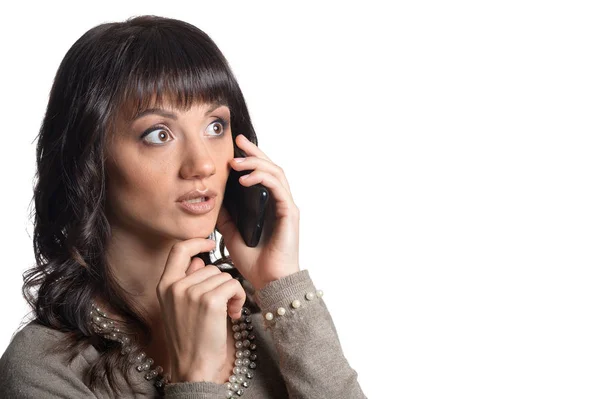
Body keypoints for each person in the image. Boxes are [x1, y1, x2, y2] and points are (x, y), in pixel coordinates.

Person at [0, 15, 366, 399]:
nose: (203, 164)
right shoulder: (43, 370)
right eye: (159, 134)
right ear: (88, 159)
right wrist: (195, 377)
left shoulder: (264, 312)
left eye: (215, 126)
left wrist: (280, 285)